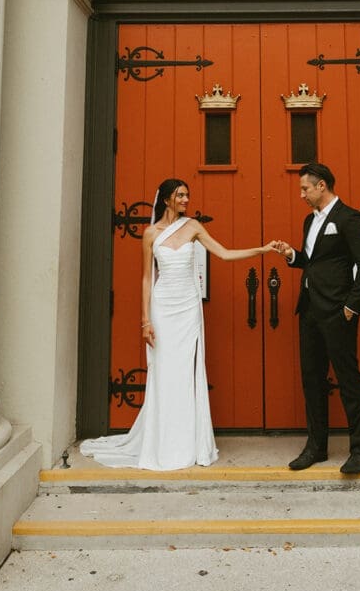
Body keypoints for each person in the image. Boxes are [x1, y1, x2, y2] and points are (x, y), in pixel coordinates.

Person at [81, 178, 277, 471]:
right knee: (163, 372)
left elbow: (223, 254)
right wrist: (145, 320)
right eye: (181, 195)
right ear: (167, 199)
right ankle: (161, 442)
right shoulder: (150, 233)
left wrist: (262, 250)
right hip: (162, 307)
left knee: (186, 373)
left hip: (188, 309)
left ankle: (187, 443)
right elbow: (148, 277)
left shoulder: (194, 227)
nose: (186, 199)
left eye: (187, 195)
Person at [274, 162, 360, 475]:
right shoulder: (310, 221)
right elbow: (313, 262)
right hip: (309, 311)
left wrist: (352, 307)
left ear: (322, 186)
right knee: (312, 380)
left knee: (349, 380)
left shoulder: (349, 219)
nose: (302, 194)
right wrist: (291, 254)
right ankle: (316, 447)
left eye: (305, 188)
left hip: (338, 313)